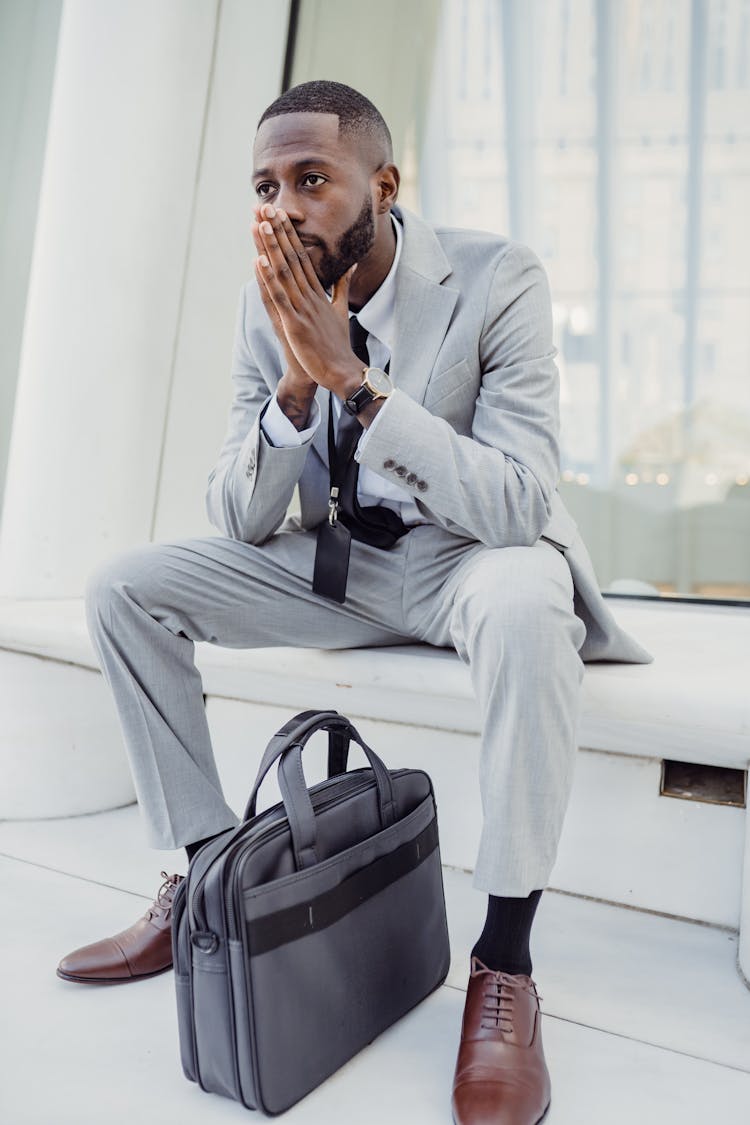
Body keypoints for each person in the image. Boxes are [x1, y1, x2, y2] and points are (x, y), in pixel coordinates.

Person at [57, 80, 651, 1124]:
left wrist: (358, 385)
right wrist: (295, 385)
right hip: (341, 571)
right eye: (265, 186)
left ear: (382, 184)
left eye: (311, 180)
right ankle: (219, 890)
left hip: (472, 560)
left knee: (525, 605)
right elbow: (239, 518)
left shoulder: (496, 279)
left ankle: (503, 964)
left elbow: (519, 504)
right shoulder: (266, 301)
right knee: (125, 590)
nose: (284, 208)